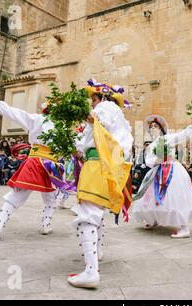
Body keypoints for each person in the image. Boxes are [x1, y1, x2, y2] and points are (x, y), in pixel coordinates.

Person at [67, 79, 133, 289]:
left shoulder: (105, 108)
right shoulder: (121, 120)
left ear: (102, 97)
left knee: (86, 215)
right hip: (110, 165)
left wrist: (77, 114)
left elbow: (98, 122)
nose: (92, 103)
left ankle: (90, 271)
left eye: (93, 99)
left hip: (98, 164)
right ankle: (98, 253)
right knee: (96, 213)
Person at [0, 97, 58, 241]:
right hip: (37, 161)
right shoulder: (38, 119)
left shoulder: (63, 126)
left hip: (51, 163)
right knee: (17, 194)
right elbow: (15, 113)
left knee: (51, 196)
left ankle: (46, 224)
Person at [131, 115, 192, 238]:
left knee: (175, 198)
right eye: (151, 127)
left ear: (161, 128)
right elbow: (148, 161)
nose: (153, 129)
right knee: (150, 198)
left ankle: (185, 228)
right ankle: (153, 220)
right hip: (157, 172)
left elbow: (183, 134)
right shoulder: (151, 145)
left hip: (172, 171)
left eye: (155, 126)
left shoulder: (168, 138)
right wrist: (157, 160)